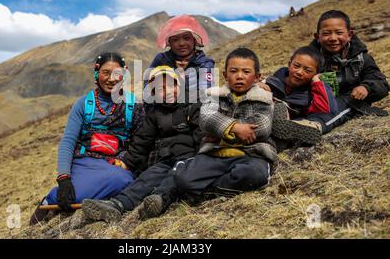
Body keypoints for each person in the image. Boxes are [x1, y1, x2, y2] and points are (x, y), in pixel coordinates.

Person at [29, 52, 145, 225]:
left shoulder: (133, 105)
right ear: (97, 74)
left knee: (124, 180)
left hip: (117, 165)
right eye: (106, 73)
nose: (112, 79)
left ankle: (59, 199)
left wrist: (127, 161)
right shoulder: (83, 104)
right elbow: (68, 142)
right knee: (78, 189)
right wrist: (64, 178)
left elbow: (141, 141)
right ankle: (51, 199)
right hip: (83, 162)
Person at [81, 66, 203, 222]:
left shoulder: (192, 104)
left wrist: (202, 156)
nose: (167, 91)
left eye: (172, 85)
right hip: (166, 159)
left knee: (175, 176)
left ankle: (159, 199)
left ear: (179, 85)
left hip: (189, 158)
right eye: (160, 88)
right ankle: (118, 204)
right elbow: (142, 141)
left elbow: (202, 132)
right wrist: (127, 162)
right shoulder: (154, 113)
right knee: (147, 177)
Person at [174, 47, 277, 201]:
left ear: (257, 77)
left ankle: (208, 191)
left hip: (251, 154)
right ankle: (211, 187)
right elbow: (206, 118)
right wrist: (235, 128)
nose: (239, 76)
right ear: (225, 75)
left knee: (255, 175)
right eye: (234, 71)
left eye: (246, 72)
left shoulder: (264, 99)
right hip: (215, 153)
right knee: (184, 180)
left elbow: (261, 127)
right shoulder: (214, 95)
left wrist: (219, 133)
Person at [306, 10, 389, 133]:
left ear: (350, 35)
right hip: (313, 100)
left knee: (344, 103)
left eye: (339, 33)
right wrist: (270, 85)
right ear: (317, 37)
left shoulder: (361, 59)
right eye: (326, 33)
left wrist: (366, 88)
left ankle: (313, 126)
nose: (333, 38)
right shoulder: (308, 58)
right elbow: (291, 75)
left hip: (349, 102)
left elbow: (381, 82)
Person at [261, 46, 338, 146]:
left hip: (286, 121)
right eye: (296, 66)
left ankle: (282, 134)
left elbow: (325, 109)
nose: (299, 72)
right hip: (262, 114)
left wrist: (316, 82)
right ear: (289, 65)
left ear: (316, 73)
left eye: (308, 70)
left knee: (281, 112)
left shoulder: (308, 94)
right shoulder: (273, 81)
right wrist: (261, 85)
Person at [149, 14, 215, 104]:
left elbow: (205, 91)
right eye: (175, 39)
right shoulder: (161, 59)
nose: (181, 43)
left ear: (194, 40)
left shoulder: (205, 64)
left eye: (186, 38)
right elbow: (148, 85)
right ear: (170, 43)